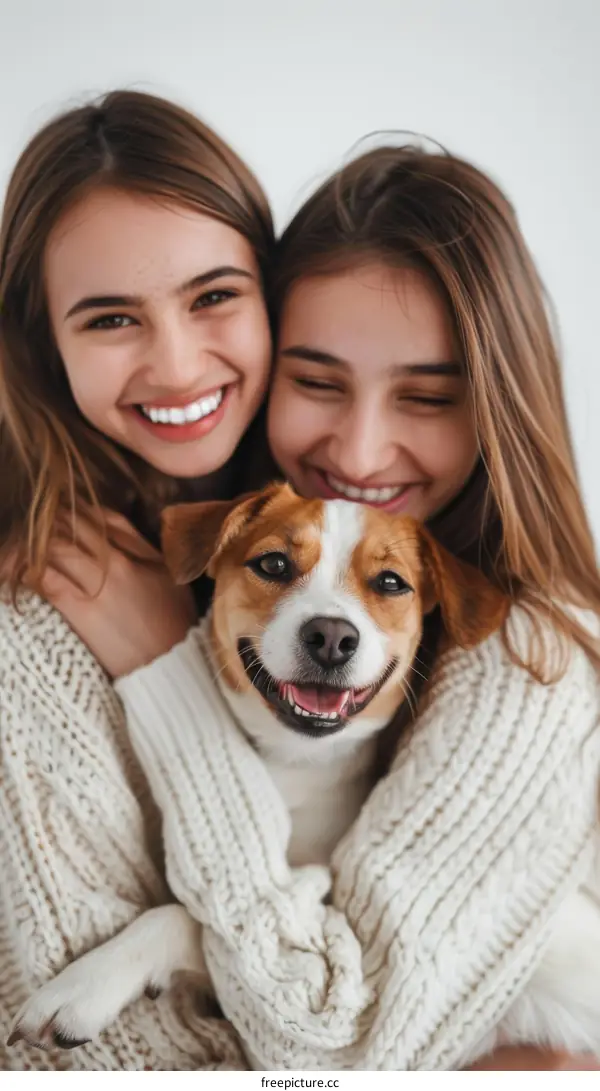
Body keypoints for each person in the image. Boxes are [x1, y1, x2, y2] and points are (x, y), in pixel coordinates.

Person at [40, 146, 600, 1068]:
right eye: (318, 380)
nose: (361, 451)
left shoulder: (527, 661)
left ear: (496, 405)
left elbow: (336, 1056)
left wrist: (165, 674)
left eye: (428, 395)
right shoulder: (200, 550)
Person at [0, 88, 276, 1071]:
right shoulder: (29, 630)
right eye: (112, 318)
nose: (178, 363)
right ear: (46, 344)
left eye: (213, 296)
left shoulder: (347, 542)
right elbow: (98, 1060)